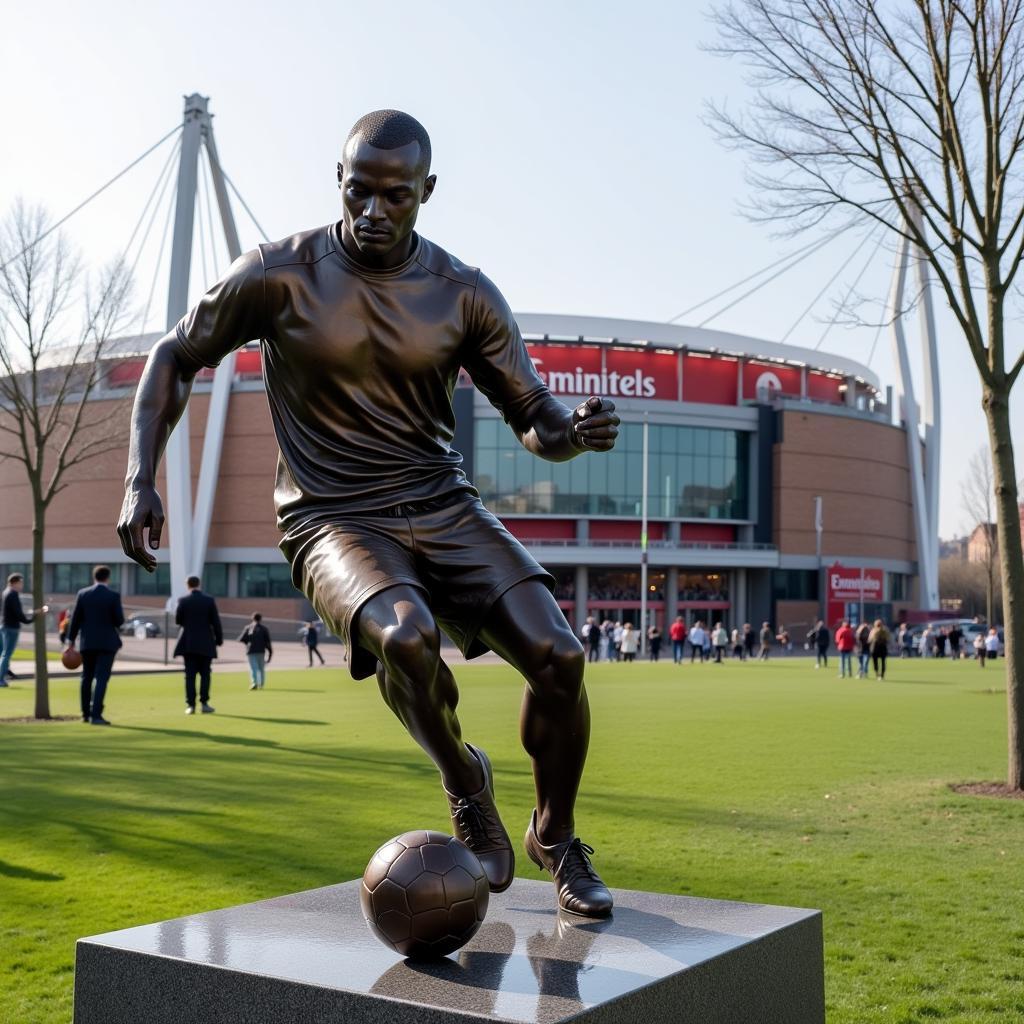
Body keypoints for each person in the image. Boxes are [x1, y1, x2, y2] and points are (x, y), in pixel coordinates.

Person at [116, 110, 620, 918]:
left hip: (443, 505)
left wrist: (572, 434)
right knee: (406, 637)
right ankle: (466, 779)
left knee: (560, 657)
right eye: (359, 192)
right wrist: (140, 477)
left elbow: (532, 415)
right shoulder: (278, 274)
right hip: (332, 517)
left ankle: (556, 838)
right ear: (339, 182)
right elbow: (174, 354)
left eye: (395, 196)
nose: (374, 212)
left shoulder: (464, 293)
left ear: (427, 192)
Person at [66, 566, 124, 725]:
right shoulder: (113, 596)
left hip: (88, 642)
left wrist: (70, 641)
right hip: (107, 642)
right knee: (101, 679)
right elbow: (119, 621)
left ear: (94, 577)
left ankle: (85, 713)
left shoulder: (83, 594)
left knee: (86, 677)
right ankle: (96, 714)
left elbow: (75, 620)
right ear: (108, 578)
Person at [174, 575, 223, 715]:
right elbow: (216, 622)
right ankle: (205, 703)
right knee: (205, 674)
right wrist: (219, 640)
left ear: (187, 585)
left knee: (189, 676)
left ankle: (191, 705)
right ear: (199, 584)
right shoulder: (209, 600)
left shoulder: (183, 600)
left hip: (188, 643)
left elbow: (178, 621)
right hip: (206, 642)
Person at [0, 573, 47, 685]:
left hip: (5, 626)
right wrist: (33, 617)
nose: (21, 585)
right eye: (20, 583)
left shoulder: (6, 593)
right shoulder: (12, 594)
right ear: (14, 583)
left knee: (4, 653)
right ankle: (1, 678)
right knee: (6, 654)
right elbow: (19, 614)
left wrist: (30, 614)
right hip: (11, 627)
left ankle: (4, 675)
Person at [238, 612, 273, 689]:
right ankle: (261, 684)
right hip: (261, 651)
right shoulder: (264, 629)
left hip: (251, 651)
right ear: (261, 619)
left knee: (253, 668)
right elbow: (268, 642)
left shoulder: (248, 628)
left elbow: (241, 639)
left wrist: (248, 643)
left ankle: (254, 683)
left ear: (252, 618)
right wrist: (270, 653)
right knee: (261, 669)